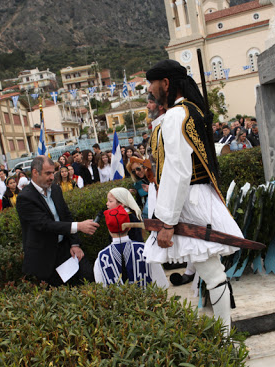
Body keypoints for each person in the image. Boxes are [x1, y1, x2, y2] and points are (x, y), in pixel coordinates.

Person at [144, 59, 243, 335]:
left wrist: (167, 222)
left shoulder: (178, 114)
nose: (151, 90)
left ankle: (225, 338)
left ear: (165, 83)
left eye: (153, 83)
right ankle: (225, 335)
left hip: (189, 200)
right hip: (196, 195)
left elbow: (178, 171)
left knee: (213, 274)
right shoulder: (191, 110)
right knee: (214, 273)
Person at [16, 155, 99, 286]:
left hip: (66, 249)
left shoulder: (55, 189)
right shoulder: (25, 198)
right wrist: (79, 226)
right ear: (35, 172)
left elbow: (66, 215)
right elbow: (45, 224)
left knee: (88, 277)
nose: (52, 177)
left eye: (53, 172)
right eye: (48, 173)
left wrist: (75, 244)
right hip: (45, 257)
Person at [93, 204, 168, 289]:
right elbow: (162, 284)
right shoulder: (145, 250)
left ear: (109, 230)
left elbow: (101, 290)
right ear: (129, 227)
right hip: (148, 301)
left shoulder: (101, 257)